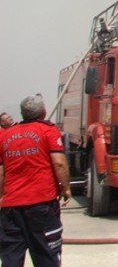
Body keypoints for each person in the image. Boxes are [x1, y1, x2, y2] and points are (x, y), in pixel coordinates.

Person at [0, 95, 71, 267]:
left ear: (22, 113)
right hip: (42, 205)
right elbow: (59, 163)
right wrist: (66, 188)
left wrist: (2, 196)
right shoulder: (48, 130)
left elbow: (1, 171)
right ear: (44, 111)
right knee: (46, 254)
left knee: (11, 255)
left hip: (11, 208)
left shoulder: (6, 135)